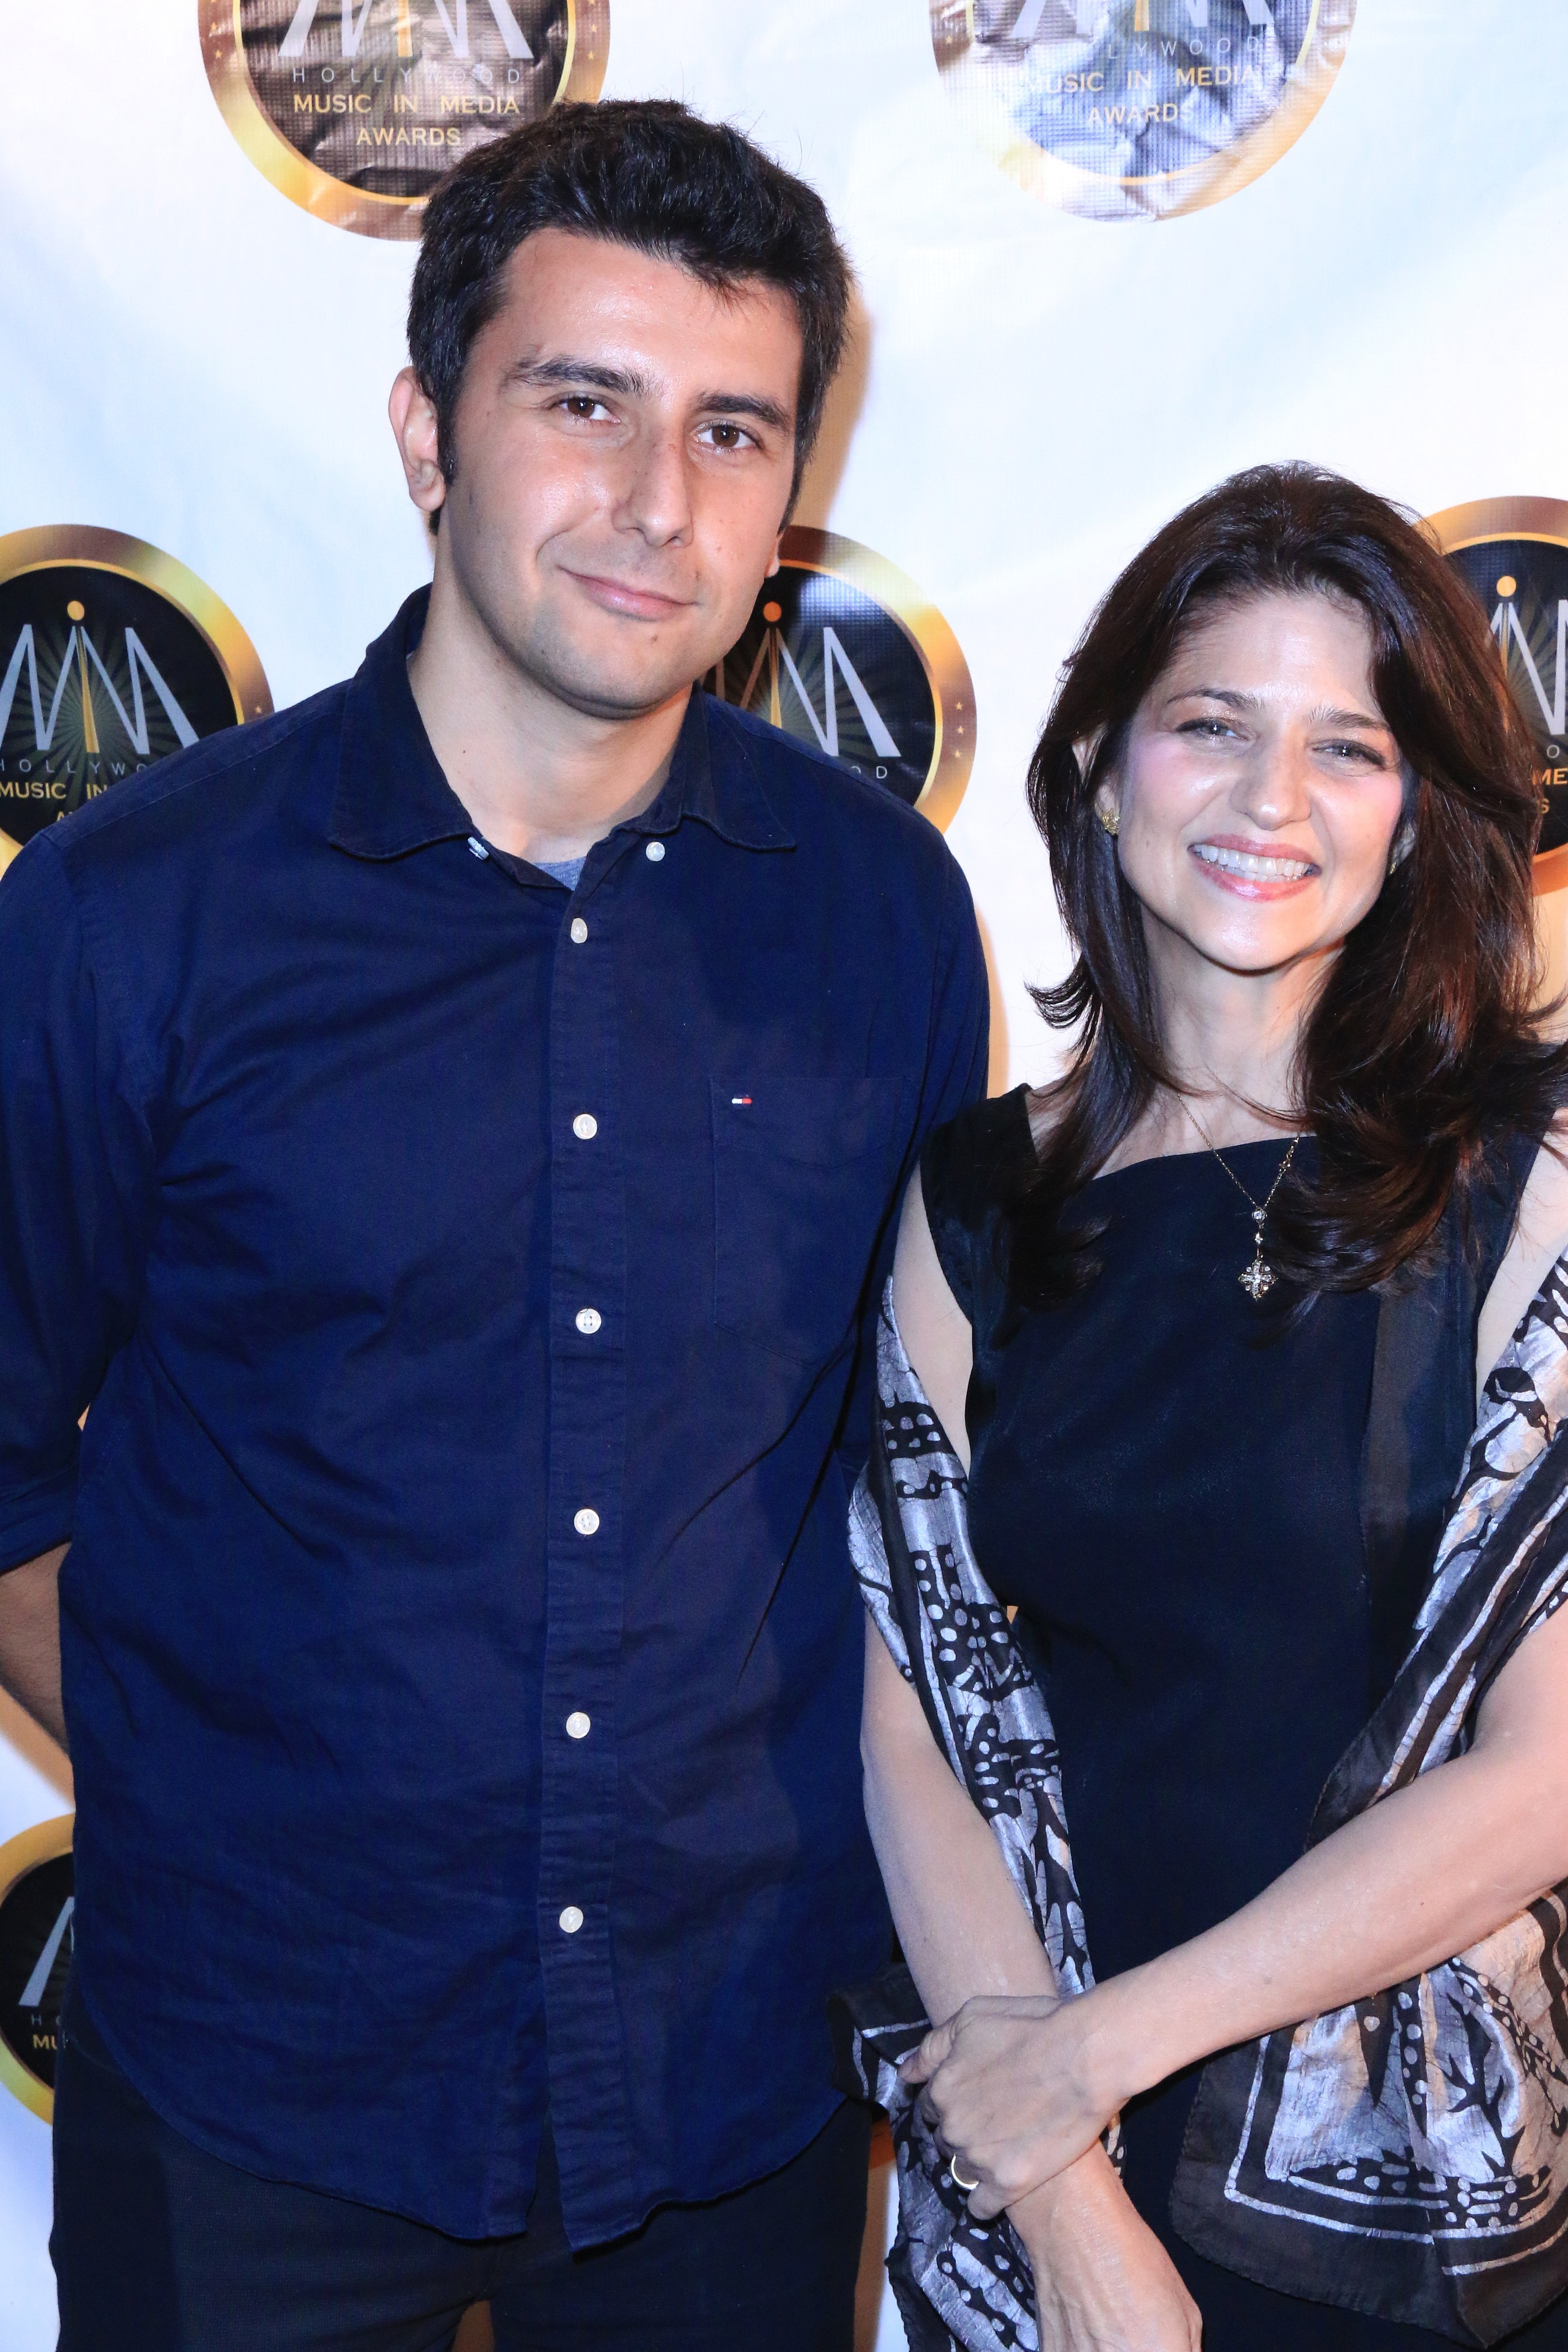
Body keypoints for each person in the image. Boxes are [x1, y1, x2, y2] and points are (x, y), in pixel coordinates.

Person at [0, 102, 989, 2351]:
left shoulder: (881, 917)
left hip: (731, 2086)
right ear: (424, 433)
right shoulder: (130, 917)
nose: (658, 501)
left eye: (731, 430)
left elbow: (912, 1474)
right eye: (583, 401)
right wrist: (215, 1786)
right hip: (253, 2081)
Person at [861, 464, 1568, 2350]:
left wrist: (1097, 2052)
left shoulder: (1532, 1185)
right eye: (1214, 726)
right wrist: (1064, 2197)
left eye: (1350, 747)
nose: (1274, 800)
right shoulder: (977, 1199)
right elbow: (910, 1714)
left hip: (1408, 2197)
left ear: (1415, 817)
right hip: (1052, 2152)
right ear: (1106, 765)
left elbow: (1548, 1771)